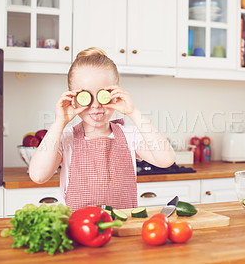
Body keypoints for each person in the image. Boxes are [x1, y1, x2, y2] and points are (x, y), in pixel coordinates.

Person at [29, 47, 175, 212]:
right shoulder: (66, 138)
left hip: (123, 228)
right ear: (73, 99)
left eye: (103, 94)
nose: (96, 105)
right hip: (80, 231)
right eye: (86, 96)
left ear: (115, 93)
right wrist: (59, 122)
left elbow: (166, 159)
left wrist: (133, 112)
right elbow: (38, 176)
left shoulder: (130, 136)